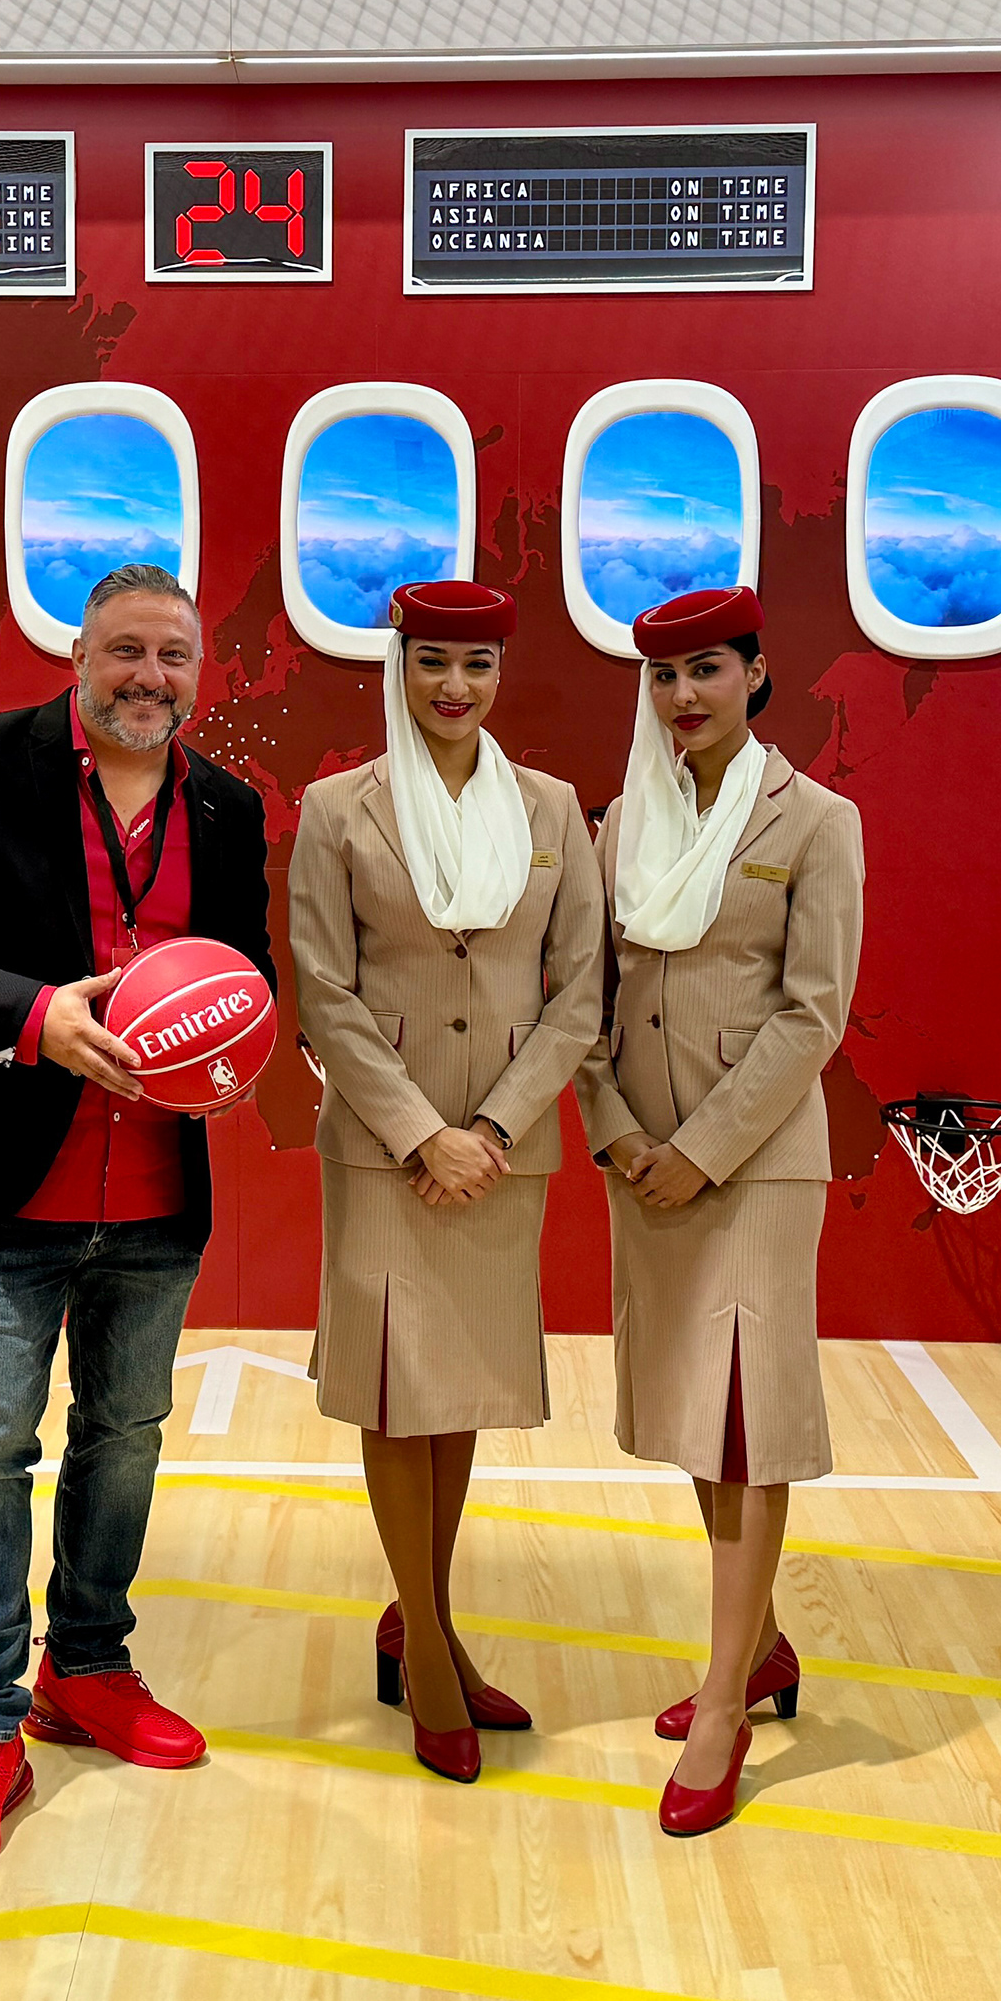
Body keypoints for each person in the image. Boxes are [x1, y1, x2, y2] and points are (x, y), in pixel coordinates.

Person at [0, 562, 277, 1875]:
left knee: (125, 1439)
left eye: (176, 656)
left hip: (155, 1195)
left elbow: (246, 975)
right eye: (127, 649)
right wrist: (33, 1016)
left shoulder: (228, 808)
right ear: (78, 656)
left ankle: (86, 1668)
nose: (152, 675)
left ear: (200, 675)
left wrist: (228, 1048)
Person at [286, 581, 604, 1785]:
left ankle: (427, 1614)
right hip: (385, 1151)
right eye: (432, 662)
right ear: (399, 666)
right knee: (394, 1389)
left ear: (500, 674)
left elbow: (580, 992)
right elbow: (325, 992)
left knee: (457, 1386)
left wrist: (496, 1125)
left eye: (476, 664)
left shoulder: (553, 809)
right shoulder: (338, 808)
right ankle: (425, 1647)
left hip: (502, 1154)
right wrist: (426, 1134)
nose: (454, 686)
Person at [574, 587, 864, 1838]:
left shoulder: (819, 822)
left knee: (746, 1422)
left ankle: (725, 1706)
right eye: (663, 676)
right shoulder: (621, 826)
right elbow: (581, 1001)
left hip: (751, 1168)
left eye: (706, 671)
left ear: (756, 674)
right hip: (648, 1169)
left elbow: (812, 1015)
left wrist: (699, 1150)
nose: (683, 695)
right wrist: (619, 1132)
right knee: (703, 1414)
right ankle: (766, 1644)